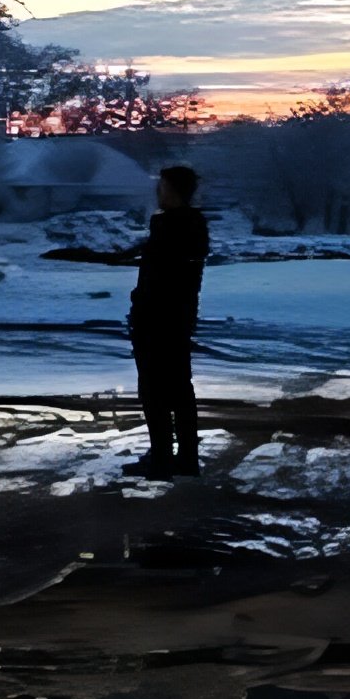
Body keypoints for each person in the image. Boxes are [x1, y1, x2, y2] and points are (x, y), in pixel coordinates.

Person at [128, 163, 210, 478]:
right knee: (178, 389)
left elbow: (160, 280)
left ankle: (163, 457)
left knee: (155, 391)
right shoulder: (191, 226)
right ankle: (184, 457)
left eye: (161, 186)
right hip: (175, 319)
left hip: (159, 321)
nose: (157, 192)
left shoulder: (172, 229)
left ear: (172, 190)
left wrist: (143, 310)